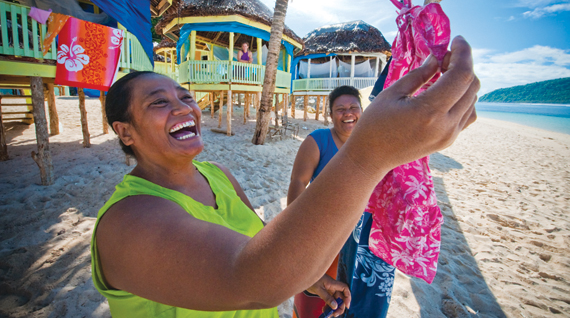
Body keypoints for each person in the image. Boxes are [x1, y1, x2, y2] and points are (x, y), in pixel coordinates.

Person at [91, 36, 479, 318]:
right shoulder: (127, 221)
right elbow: (247, 277)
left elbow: (260, 242)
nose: (183, 108)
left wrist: (307, 279)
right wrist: (370, 155)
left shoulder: (216, 175)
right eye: (159, 103)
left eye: (185, 97)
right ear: (125, 131)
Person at [288, 85, 395, 318]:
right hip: (324, 240)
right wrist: (296, 234)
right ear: (330, 114)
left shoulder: (374, 144)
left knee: (352, 301)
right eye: (340, 109)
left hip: (362, 242)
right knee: (316, 300)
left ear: (362, 111)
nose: (348, 113)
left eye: (353, 107)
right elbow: (297, 184)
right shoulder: (318, 141)